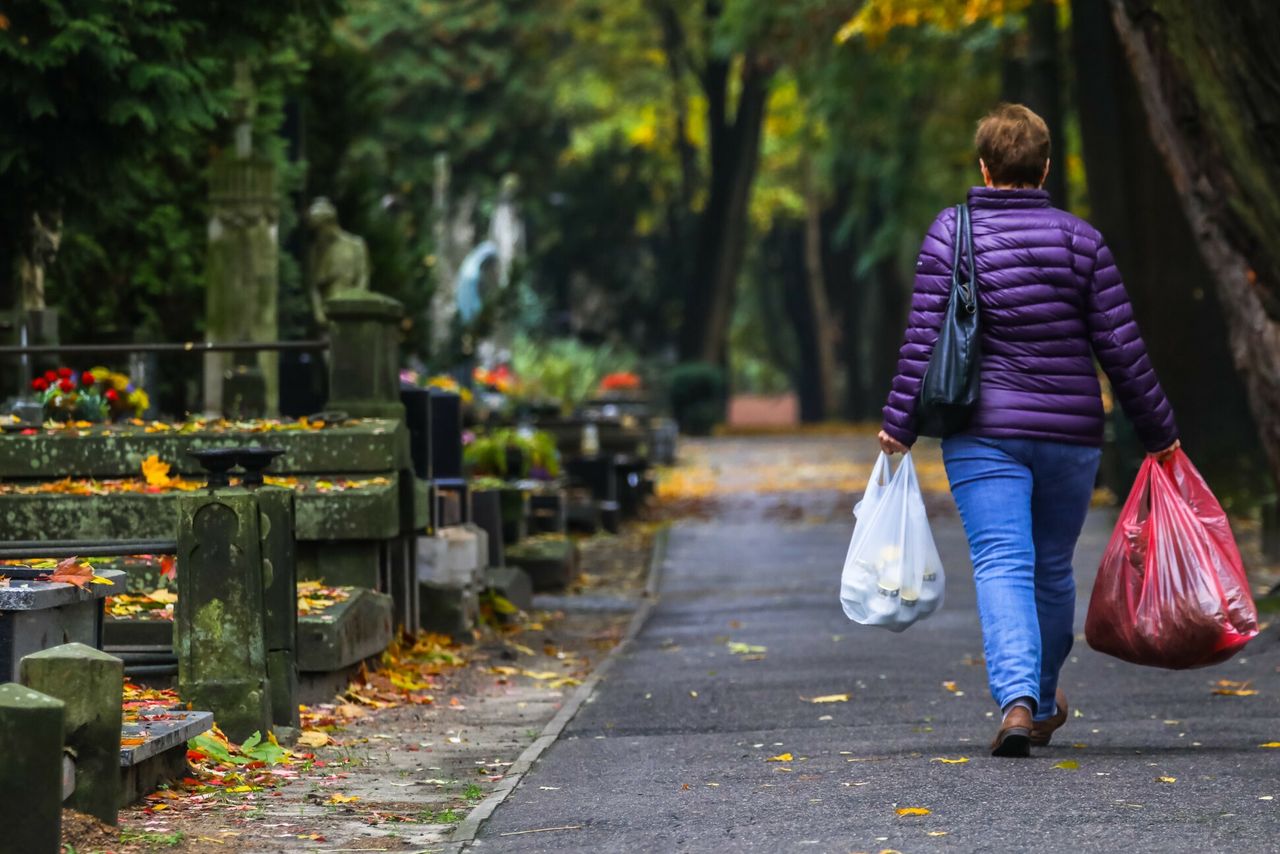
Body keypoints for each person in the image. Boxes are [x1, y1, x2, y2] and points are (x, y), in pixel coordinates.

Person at [878, 103, 1180, 758]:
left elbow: (923, 338)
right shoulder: (1082, 241)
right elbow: (1122, 349)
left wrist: (899, 425)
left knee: (1001, 562)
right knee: (1049, 566)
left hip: (981, 429)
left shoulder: (949, 234)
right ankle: (1040, 700)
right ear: (1044, 168)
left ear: (984, 168)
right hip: (1071, 433)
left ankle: (1021, 701)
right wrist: (1160, 434)